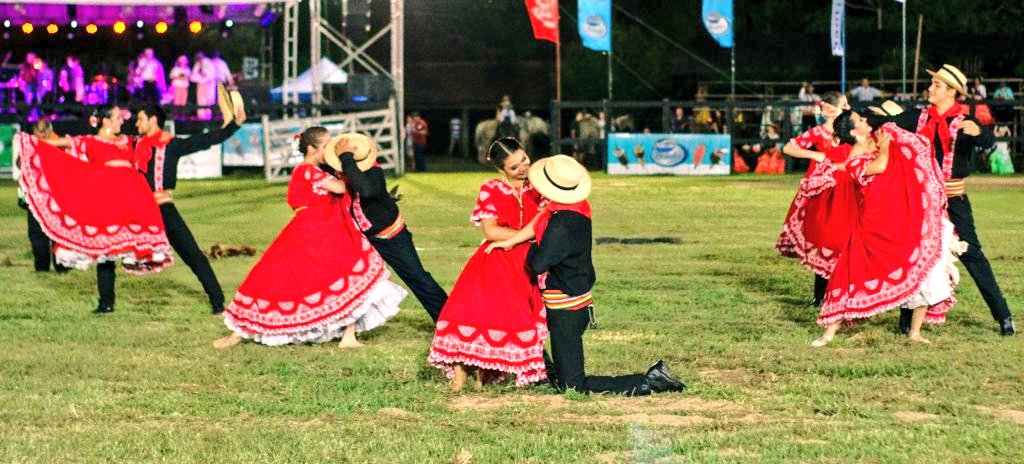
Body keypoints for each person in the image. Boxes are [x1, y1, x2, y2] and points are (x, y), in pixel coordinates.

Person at [487, 155, 686, 396]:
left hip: (566, 307)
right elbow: (539, 224)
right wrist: (511, 241)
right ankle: (550, 374)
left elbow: (538, 264)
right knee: (564, 376)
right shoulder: (574, 209)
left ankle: (648, 381)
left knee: (573, 386)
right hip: (574, 300)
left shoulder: (560, 223)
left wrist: (531, 246)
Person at [214, 127, 406, 348]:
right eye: (327, 146)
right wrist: (350, 164)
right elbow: (341, 187)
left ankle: (349, 335)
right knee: (271, 278)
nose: (330, 150)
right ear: (313, 148)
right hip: (311, 232)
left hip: (327, 231)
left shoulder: (319, 171)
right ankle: (238, 332)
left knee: (347, 276)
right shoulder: (306, 170)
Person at [813, 111, 959, 346]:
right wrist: (887, 146)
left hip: (898, 213)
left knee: (923, 262)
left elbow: (906, 148)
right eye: (860, 121)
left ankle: (915, 331)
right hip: (874, 221)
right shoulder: (854, 157)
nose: (865, 121)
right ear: (853, 132)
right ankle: (828, 333)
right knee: (851, 271)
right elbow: (880, 166)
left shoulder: (877, 139)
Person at [17, 106, 175, 313]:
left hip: (132, 197)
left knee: (136, 239)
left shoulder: (128, 141)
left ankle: (113, 294)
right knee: (106, 253)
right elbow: (57, 143)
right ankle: (106, 302)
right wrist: (29, 142)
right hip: (105, 198)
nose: (122, 121)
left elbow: (156, 143)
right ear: (106, 121)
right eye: (118, 118)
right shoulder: (88, 141)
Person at [896, 64, 1014, 336]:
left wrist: (980, 133)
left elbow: (986, 142)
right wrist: (860, 117)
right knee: (914, 256)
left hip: (953, 198)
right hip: (923, 200)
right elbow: (889, 123)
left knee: (972, 254)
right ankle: (905, 321)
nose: (931, 88)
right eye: (933, 83)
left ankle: (1003, 316)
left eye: (937, 85)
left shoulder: (964, 121)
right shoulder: (918, 117)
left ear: (951, 92)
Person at [427, 137, 548, 391]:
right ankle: (461, 372)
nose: (523, 168)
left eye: (524, 160)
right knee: (471, 310)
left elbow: (547, 225)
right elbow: (491, 231)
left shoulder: (541, 186)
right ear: (501, 170)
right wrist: (526, 234)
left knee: (513, 315)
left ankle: (487, 371)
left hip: (529, 260)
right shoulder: (491, 188)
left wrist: (522, 235)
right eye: (514, 167)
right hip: (496, 258)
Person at [324, 133, 448, 323]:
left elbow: (365, 190)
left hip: (389, 236)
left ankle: (448, 320)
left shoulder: (373, 172)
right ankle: (338, 325)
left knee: (417, 277)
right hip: (361, 238)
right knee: (344, 280)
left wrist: (347, 158)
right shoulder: (342, 174)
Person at [132, 101, 242, 314]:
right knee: (107, 249)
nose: (136, 124)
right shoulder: (135, 144)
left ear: (153, 120)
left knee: (193, 255)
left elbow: (205, 140)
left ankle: (217, 301)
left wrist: (233, 125)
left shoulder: (172, 146)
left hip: (163, 209)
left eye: (140, 119)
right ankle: (105, 303)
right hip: (140, 211)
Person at [777, 92, 852, 306]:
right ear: (829, 109)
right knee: (823, 240)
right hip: (823, 194)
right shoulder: (818, 133)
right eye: (844, 105)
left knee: (841, 241)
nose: (848, 108)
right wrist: (815, 155)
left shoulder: (849, 133)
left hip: (845, 193)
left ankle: (839, 293)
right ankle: (820, 295)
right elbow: (789, 147)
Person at [16, 119, 69, 273]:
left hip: (55, 197)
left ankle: (61, 266)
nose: (41, 135)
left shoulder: (58, 143)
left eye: (43, 131)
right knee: (37, 234)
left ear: (48, 130)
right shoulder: (30, 145)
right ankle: (42, 267)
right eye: (38, 131)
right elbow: (20, 163)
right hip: (36, 196)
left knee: (58, 234)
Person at [190, 52, 216, 120]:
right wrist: (199, 76)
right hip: (200, 84)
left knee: (209, 100)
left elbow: (212, 74)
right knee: (201, 100)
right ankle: (201, 116)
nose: (199, 59)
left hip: (209, 84)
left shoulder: (209, 63)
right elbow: (193, 75)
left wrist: (205, 74)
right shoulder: (197, 64)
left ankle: (208, 115)